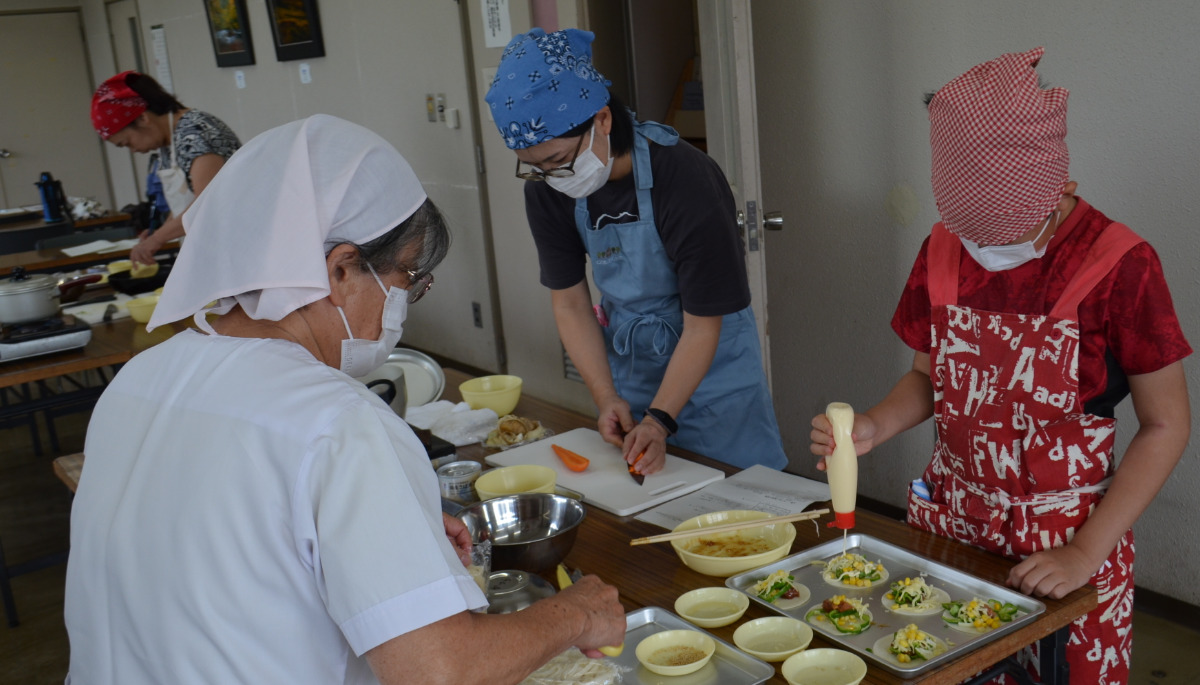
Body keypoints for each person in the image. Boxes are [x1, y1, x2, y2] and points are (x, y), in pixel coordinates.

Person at [64, 115, 626, 685]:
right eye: (408, 277)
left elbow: (210, 535)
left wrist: (387, 524)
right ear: (339, 270)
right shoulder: (340, 422)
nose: (403, 302)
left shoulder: (140, 376)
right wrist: (576, 613)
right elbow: (440, 672)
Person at [809, 48, 1191, 683]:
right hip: (953, 533)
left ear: (1062, 187)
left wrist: (1082, 552)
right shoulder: (943, 248)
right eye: (972, 236)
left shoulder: (1120, 266)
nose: (987, 255)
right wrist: (874, 426)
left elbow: (1167, 425)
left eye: (1007, 235)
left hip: (1066, 549)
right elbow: (929, 378)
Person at [485, 28, 786, 475]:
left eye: (559, 161)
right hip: (635, 373)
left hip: (714, 377)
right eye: (533, 167)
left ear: (603, 120)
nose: (552, 176)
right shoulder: (547, 190)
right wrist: (606, 396)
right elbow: (569, 302)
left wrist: (661, 420)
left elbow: (703, 326)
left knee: (741, 511)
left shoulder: (686, 179)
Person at [90, 70, 241, 265]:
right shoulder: (168, 140)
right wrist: (161, 230)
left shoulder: (196, 133)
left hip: (236, 243)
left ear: (143, 119)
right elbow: (187, 199)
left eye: (126, 143)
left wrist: (156, 240)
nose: (133, 150)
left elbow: (206, 205)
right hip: (213, 247)